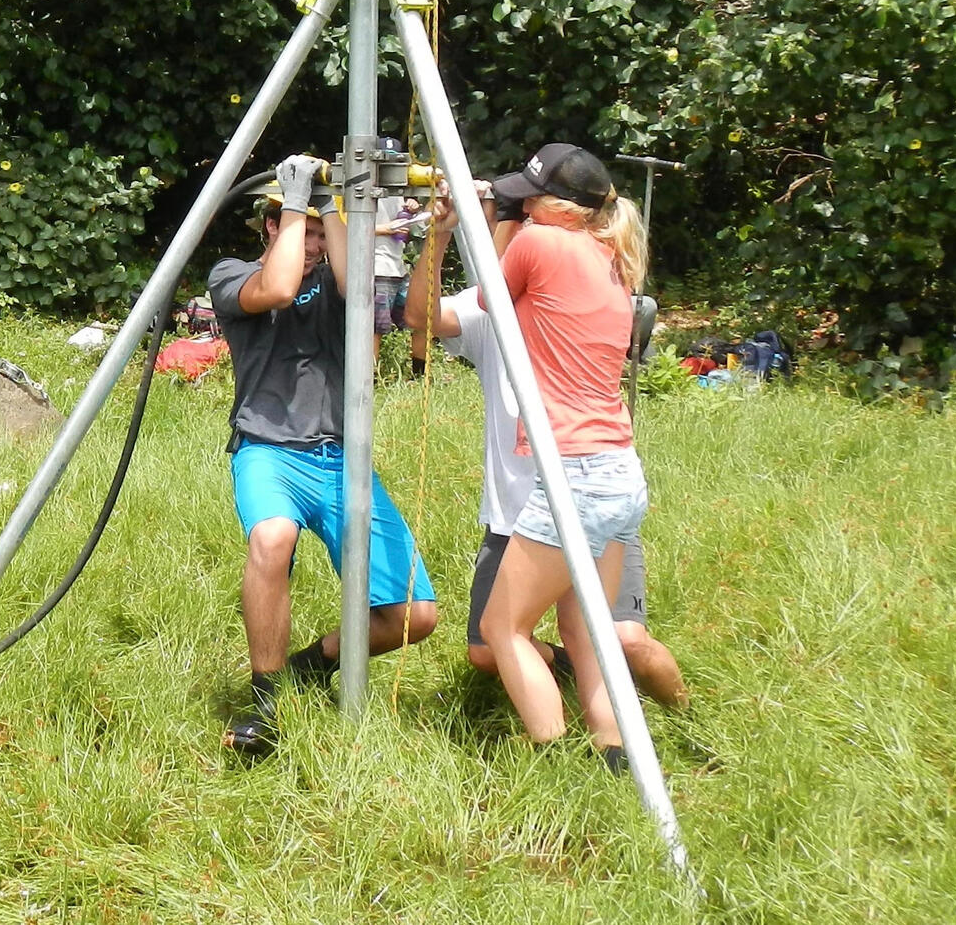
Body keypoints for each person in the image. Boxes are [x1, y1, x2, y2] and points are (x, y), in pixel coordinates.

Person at [401, 191, 687, 713]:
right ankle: (583, 691)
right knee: (492, 648)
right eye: (502, 215)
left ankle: (683, 717)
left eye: (513, 215)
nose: (510, 228)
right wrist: (437, 237)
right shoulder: (488, 304)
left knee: (623, 640)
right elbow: (420, 318)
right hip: (516, 514)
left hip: (585, 491)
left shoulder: (574, 285)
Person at [207, 155, 438, 757]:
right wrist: (295, 200)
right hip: (268, 451)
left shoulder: (341, 287)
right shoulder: (232, 276)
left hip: (342, 459)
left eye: (317, 234)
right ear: (271, 228)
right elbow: (278, 287)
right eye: (297, 231)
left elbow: (356, 285)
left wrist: (332, 203)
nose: (309, 244)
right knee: (272, 538)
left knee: (414, 614)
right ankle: (265, 700)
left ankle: (310, 667)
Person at [473, 143, 652, 772]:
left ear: (560, 208)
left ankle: (551, 765)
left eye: (529, 196)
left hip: (571, 471)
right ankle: (614, 760)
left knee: (504, 630)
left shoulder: (537, 244)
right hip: (619, 468)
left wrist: (497, 218)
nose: (522, 204)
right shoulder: (612, 258)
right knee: (587, 634)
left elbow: (488, 300)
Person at [373, 194, 431, 374]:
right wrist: (386, 228)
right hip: (376, 268)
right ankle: (368, 382)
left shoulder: (396, 189)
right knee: (376, 329)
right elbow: (347, 227)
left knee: (422, 319)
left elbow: (422, 228)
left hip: (399, 268)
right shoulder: (360, 188)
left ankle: (419, 375)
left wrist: (413, 209)